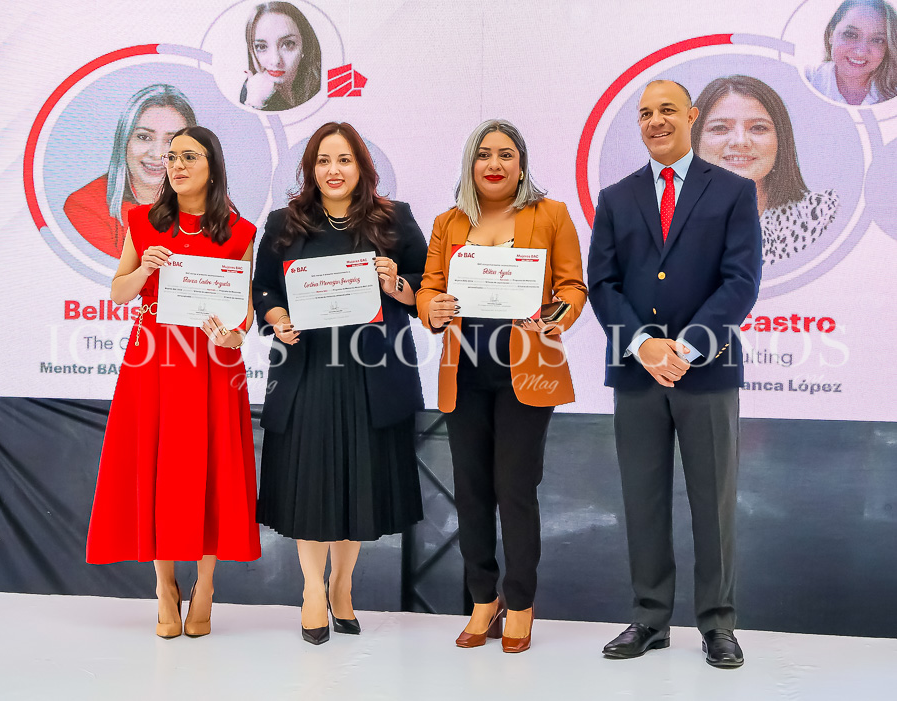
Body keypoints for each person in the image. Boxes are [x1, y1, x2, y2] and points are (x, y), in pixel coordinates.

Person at [588, 80, 762, 668]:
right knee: (643, 499)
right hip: (637, 374)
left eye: (666, 110)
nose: (655, 121)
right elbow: (602, 286)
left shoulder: (734, 192)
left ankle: (717, 624)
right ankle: (649, 619)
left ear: (691, 116)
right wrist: (644, 346)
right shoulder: (616, 197)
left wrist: (683, 348)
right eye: (644, 114)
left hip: (707, 371)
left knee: (713, 504)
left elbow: (741, 282)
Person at [416, 119, 587, 654]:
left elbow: (571, 286)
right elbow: (428, 289)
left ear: (522, 164)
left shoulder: (551, 214)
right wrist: (432, 310)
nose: (495, 164)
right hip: (464, 371)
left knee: (514, 488)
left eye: (506, 155)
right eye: (484, 154)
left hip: (527, 369)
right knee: (471, 491)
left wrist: (557, 317)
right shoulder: (448, 222)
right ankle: (482, 600)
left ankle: (520, 603)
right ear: (471, 163)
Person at [252, 122, 425, 645]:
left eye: (344, 160)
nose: (333, 170)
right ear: (310, 168)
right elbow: (262, 290)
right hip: (306, 371)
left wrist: (395, 283)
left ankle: (343, 586)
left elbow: (424, 289)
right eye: (323, 161)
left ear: (362, 167)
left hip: (372, 374)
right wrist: (277, 316)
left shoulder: (394, 220)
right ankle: (310, 591)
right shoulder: (285, 222)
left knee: (357, 487)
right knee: (311, 488)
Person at [86, 126, 262, 639]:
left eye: (189, 156)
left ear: (213, 165)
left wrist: (235, 335)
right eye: (172, 157)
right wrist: (143, 271)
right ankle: (165, 588)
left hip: (212, 363)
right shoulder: (142, 221)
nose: (176, 164)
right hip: (153, 362)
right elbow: (119, 293)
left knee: (212, 471)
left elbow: (244, 308)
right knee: (156, 469)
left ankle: (205, 586)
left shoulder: (240, 230)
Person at [692, 75, 839, 266]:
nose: (740, 141)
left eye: (758, 128)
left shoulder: (821, 215)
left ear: (780, 141)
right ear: (694, 140)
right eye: (720, 128)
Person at [64, 84, 197, 258]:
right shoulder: (85, 207)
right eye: (144, 137)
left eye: (172, 140)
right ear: (124, 141)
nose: (157, 154)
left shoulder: (211, 203)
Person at [806, 0, 897, 105]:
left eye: (877, 40)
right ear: (831, 33)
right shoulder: (805, 81)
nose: (860, 52)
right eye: (850, 34)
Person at [240, 2, 322, 111]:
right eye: (261, 46)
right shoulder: (252, 90)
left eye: (288, 44)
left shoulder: (323, 83)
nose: (275, 60)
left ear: (304, 46)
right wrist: (255, 103)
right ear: (252, 50)